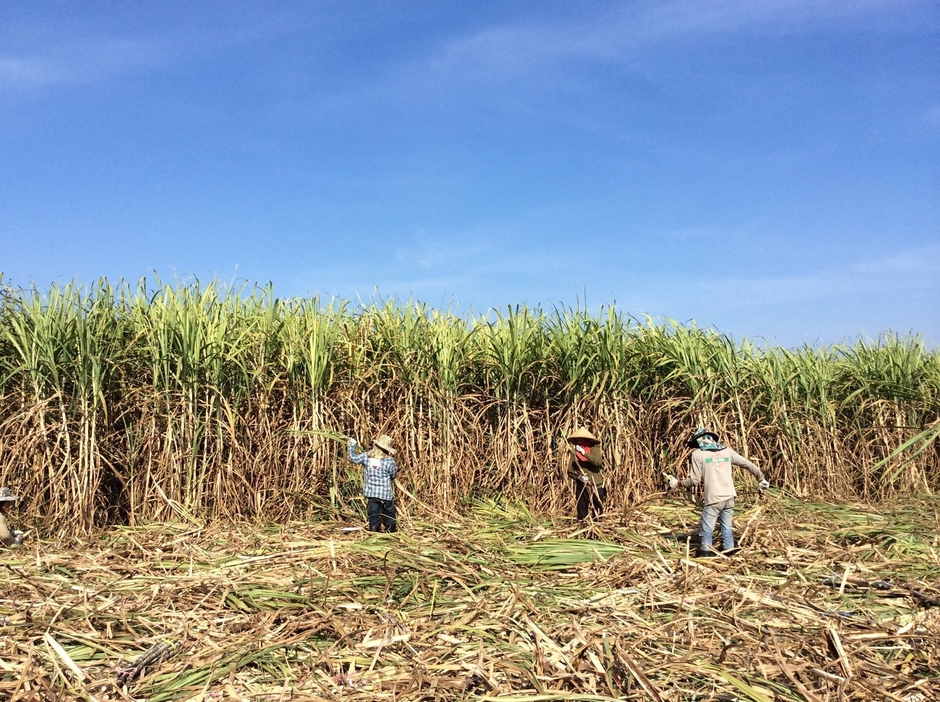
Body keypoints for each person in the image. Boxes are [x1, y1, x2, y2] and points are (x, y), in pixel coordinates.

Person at [668, 427, 769, 557]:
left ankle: (705, 553)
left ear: (698, 442)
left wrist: (677, 483)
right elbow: (748, 464)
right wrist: (761, 479)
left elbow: (694, 480)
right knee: (726, 527)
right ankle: (729, 551)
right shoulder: (727, 452)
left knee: (706, 529)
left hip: (714, 498)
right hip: (730, 497)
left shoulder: (698, 454)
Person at [348, 434, 398, 533]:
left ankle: (374, 530)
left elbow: (353, 458)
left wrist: (352, 445)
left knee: (373, 514)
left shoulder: (366, 457)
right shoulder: (389, 461)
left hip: (372, 494)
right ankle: (391, 531)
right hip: (385, 494)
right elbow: (393, 475)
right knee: (390, 514)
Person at [566, 426, 606, 521]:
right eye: (578, 440)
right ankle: (582, 529)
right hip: (582, 486)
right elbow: (570, 471)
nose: (579, 442)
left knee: (597, 512)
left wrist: (584, 453)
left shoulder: (594, 450)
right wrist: (579, 477)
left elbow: (598, 462)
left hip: (596, 485)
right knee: (582, 513)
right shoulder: (575, 454)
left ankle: (598, 530)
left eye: (582, 440)